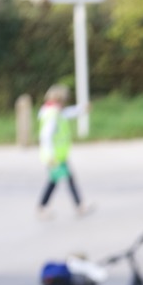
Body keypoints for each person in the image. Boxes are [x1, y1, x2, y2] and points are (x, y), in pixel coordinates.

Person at [36, 84, 92, 219]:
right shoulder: (52, 115)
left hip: (58, 155)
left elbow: (68, 113)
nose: (65, 103)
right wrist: (50, 156)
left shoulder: (55, 112)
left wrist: (81, 109)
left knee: (56, 181)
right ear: (59, 100)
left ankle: (43, 207)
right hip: (53, 156)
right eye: (64, 100)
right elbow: (45, 136)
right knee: (62, 180)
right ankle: (78, 206)